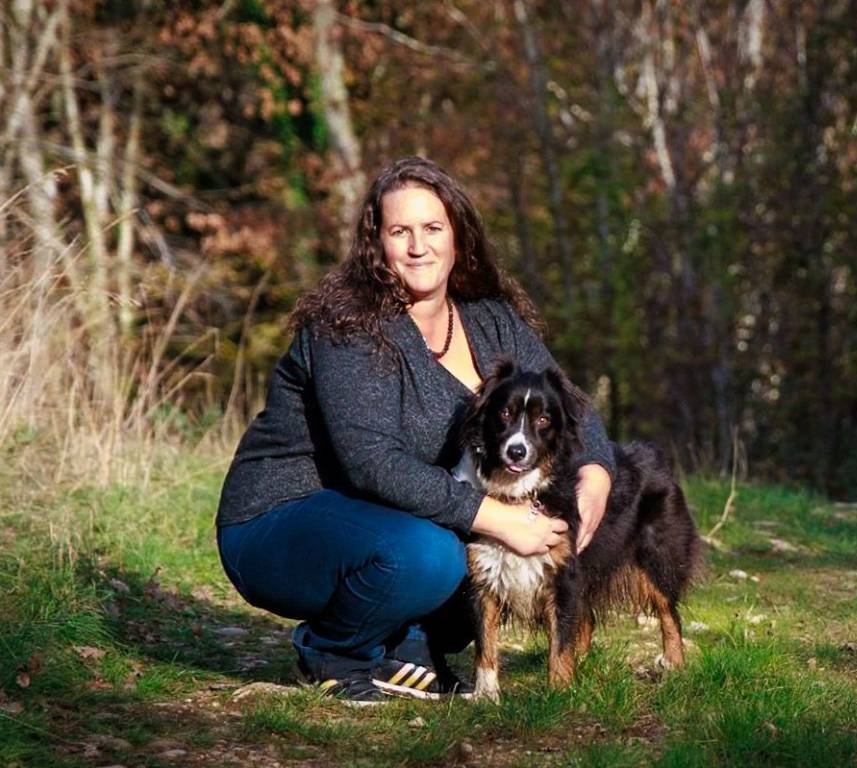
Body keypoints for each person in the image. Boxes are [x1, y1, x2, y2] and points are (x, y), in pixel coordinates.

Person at [216, 156, 616, 705]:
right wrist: (497, 518)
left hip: (389, 516)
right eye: (399, 231)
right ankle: (334, 651)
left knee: (471, 557)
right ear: (375, 243)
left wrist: (597, 471)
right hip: (282, 520)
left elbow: (568, 403)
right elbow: (372, 464)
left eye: (433, 228)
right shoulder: (347, 326)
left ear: (459, 236)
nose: (418, 247)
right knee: (434, 555)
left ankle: (406, 649)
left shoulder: (489, 319)